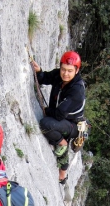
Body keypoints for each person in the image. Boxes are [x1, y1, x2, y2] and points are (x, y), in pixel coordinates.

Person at [30, 51, 85, 184]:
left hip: (73, 125)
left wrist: (47, 110)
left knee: (46, 124)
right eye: (63, 69)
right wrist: (39, 72)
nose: (65, 73)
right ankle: (63, 173)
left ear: (76, 71)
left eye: (70, 71)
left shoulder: (76, 90)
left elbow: (59, 114)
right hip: (63, 120)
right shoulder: (59, 76)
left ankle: (62, 143)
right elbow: (45, 78)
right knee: (51, 124)